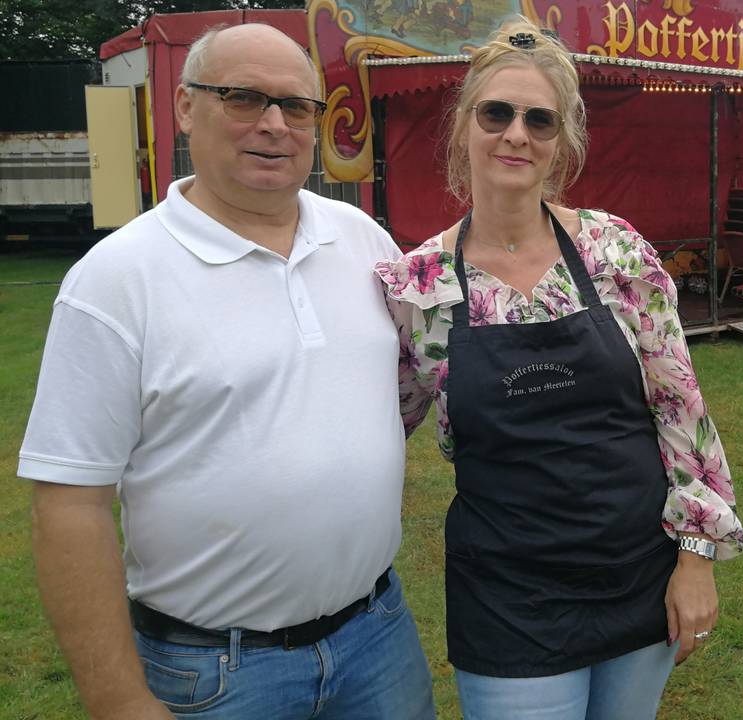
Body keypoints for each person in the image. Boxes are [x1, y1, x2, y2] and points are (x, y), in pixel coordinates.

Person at [19, 23, 433, 720]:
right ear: (185, 107)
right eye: (243, 98)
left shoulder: (363, 240)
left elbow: (392, 396)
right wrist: (118, 699)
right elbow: (69, 504)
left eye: (296, 106)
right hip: (215, 671)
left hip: (376, 637)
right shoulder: (117, 280)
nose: (274, 124)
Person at [377, 17, 743, 720]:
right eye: (497, 113)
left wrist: (695, 556)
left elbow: (680, 409)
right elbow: (377, 430)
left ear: (561, 144)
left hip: (638, 577)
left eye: (539, 121)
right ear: (462, 126)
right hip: (508, 596)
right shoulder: (420, 285)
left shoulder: (615, 252)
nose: (517, 133)